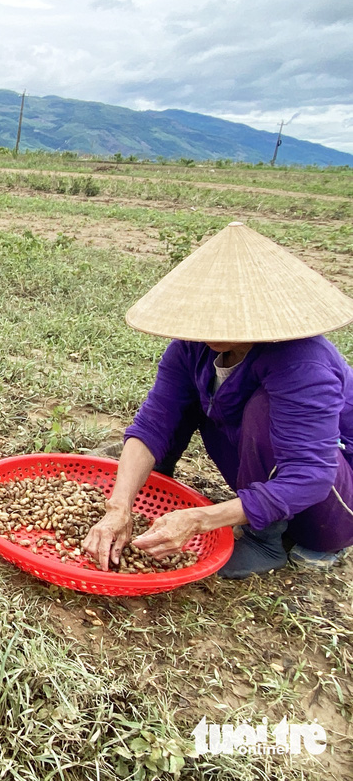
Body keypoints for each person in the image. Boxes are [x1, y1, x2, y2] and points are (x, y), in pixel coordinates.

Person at [82, 221, 353, 580]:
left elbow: (311, 475)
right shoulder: (190, 348)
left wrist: (200, 520)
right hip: (267, 473)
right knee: (190, 396)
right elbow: (154, 423)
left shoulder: (302, 361)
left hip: (330, 505)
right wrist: (119, 505)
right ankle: (152, 486)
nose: (215, 330)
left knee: (262, 409)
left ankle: (266, 541)